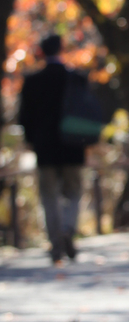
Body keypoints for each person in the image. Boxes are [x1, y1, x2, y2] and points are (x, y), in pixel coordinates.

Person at [18, 34, 89, 265]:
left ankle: (56, 243)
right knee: (74, 192)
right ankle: (68, 228)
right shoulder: (76, 78)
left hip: (45, 147)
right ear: (62, 49)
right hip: (73, 145)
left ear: (41, 52)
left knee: (49, 196)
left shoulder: (32, 81)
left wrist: (30, 141)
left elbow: (24, 116)